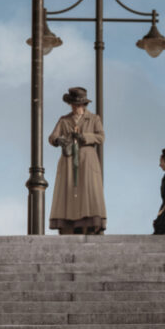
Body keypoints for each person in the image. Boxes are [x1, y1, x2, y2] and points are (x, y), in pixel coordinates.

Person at [48, 87, 106, 235]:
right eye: (73, 104)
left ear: (84, 104)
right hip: (68, 160)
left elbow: (101, 137)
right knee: (68, 191)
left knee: (88, 191)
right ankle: (69, 225)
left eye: (78, 104)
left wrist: (85, 137)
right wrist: (58, 139)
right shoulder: (64, 120)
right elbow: (52, 137)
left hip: (87, 160)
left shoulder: (94, 119)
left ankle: (89, 225)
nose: (75, 107)